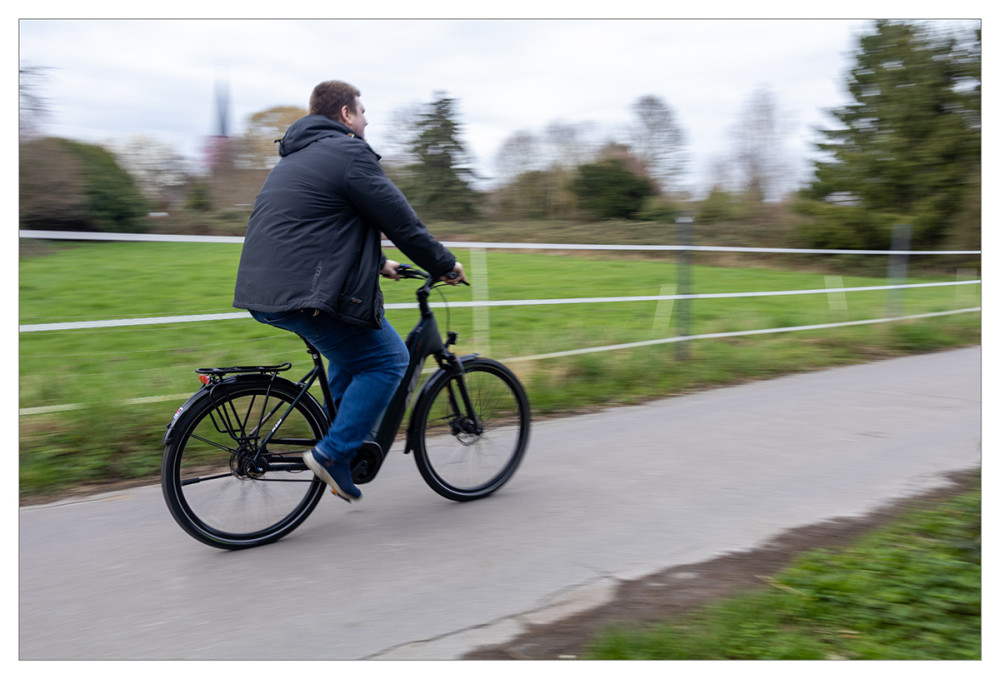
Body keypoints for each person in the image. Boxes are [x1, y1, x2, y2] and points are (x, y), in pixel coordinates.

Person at [233, 80, 466, 503]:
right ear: (345, 114)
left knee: (352, 354)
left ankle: (337, 435)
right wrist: (445, 265)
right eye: (362, 111)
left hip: (264, 288)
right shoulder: (349, 153)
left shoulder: (296, 158)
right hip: (305, 294)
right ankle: (332, 453)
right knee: (388, 360)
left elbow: (318, 230)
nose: (366, 120)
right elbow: (403, 224)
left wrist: (380, 264)